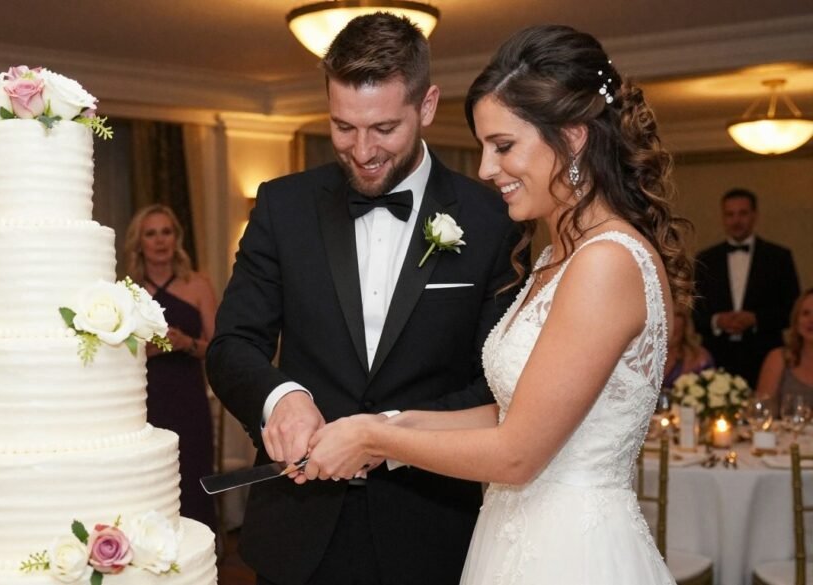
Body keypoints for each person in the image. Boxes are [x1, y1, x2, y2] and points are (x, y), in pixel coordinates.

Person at [303, 24, 694, 584]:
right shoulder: (557, 256)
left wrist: (372, 439)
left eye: (504, 146)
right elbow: (517, 413)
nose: (486, 169)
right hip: (514, 535)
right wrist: (393, 423)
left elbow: (517, 454)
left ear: (574, 138)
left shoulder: (607, 262)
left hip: (571, 554)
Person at [207, 13, 520, 585]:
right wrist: (280, 398)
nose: (362, 150)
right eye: (343, 127)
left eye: (383, 128)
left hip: (430, 529)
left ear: (426, 107)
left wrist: (389, 437)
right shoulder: (284, 207)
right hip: (298, 532)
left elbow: (497, 384)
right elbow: (231, 345)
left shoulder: (494, 218)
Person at [124, 204, 218, 534]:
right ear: (139, 242)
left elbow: (221, 350)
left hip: (188, 400)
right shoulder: (126, 292)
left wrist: (186, 344)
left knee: (191, 477)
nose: (160, 240)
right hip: (144, 404)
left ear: (176, 238)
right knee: (147, 482)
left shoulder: (198, 285)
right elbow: (113, 358)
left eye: (166, 232)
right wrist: (141, 354)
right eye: (151, 233)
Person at [693, 188, 800, 388]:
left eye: (742, 213)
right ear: (722, 217)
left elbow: (792, 310)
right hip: (716, 357)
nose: (736, 220)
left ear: (754, 215)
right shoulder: (706, 259)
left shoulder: (778, 257)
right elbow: (694, 313)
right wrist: (718, 320)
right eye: (730, 214)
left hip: (765, 357)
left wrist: (756, 319)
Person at [754, 288, 813, 411]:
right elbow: (762, 413)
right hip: (785, 430)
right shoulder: (778, 358)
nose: (811, 320)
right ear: (796, 320)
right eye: (805, 313)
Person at [663, 307, 714, 389]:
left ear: (685, 323)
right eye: (666, 314)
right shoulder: (642, 357)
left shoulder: (700, 358)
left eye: (677, 315)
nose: (671, 322)